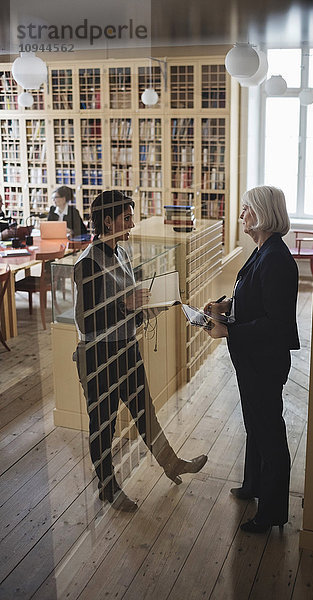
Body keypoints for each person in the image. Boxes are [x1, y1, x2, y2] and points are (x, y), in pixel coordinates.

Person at [73, 190, 207, 511]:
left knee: (144, 412)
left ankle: (171, 465)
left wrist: (151, 300)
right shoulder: (87, 262)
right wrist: (124, 305)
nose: (132, 223)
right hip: (99, 355)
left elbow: (129, 299)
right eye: (127, 218)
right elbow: (86, 319)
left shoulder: (122, 252)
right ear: (108, 220)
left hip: (127, 348)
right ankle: (108, 487)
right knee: (103, 424)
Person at [204, 185, 300, 533]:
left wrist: (228, 330)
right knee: (255, 424)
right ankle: (253, 485)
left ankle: (271, 512)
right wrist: (225, 308)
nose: (241, 214)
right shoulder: (263, 251)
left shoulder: (276, 258)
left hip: (264, 360)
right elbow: (254, 296)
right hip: (252, 358)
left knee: (269, 431)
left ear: (261, 213)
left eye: (246, 208)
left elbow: (276, 324)